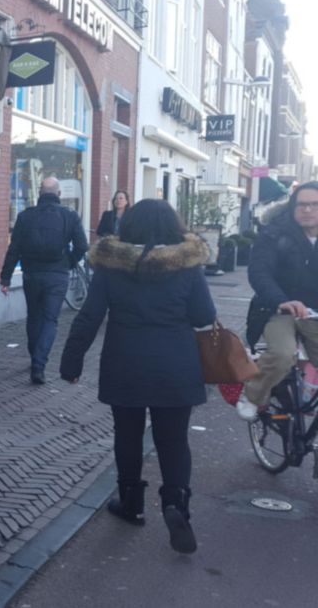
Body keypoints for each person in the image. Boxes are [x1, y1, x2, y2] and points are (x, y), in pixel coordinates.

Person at [59, 199, 215, 554]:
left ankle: (131, 503)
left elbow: (90, 316)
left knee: (127, 435)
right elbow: (204, 314)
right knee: (174, 439)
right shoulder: (187, 266)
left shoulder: (112, 266)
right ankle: (176, 503)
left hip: (125, 362)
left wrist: (72, 361)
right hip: (176, 364)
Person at [237, 181, 318, 420]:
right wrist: (281, 300)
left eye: (314, 205)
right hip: (276, 309)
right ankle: (252, 394)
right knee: (283, 354)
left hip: (313, 312)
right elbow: (259, 273)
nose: (308, 210)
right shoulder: (273, 234)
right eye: (302, 205)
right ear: (292, 207)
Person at [0, 177, 89, 384]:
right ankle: (39, 365)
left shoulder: (25, 217)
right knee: (50, 320)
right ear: (59, 194)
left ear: (40, 194)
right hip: (57, 275)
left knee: (34, 317)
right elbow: (82, 246)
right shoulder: (70, 216)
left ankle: (35, 358)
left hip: (32, 274)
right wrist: (69, 263)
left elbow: (14, 250)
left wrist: (5, 277)